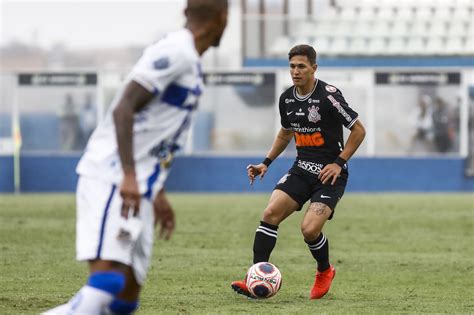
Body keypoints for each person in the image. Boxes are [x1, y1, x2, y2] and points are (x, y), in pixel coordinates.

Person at [42, 1, 228, 314]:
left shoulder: (192, 63)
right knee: (107, 284)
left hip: (141, 184)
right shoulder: (176, 51)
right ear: (223, 18)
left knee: (125, 298)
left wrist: (157, 191)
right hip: (113, 175)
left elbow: (157, 135)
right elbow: (124, 107)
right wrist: (129, 174)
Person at [231, 44, 365, 300]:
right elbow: (285, 133)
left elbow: (359, 130)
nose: (295, 71)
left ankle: (325, 271)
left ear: (314, 68)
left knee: (309, 230)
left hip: (330, 176)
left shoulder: (329, 96)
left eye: (301, 66)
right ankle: (254, 276)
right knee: (270, 213)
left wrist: (338, 162)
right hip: (301, 170)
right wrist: (266, 163)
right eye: (292, 66)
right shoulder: (287, 98)